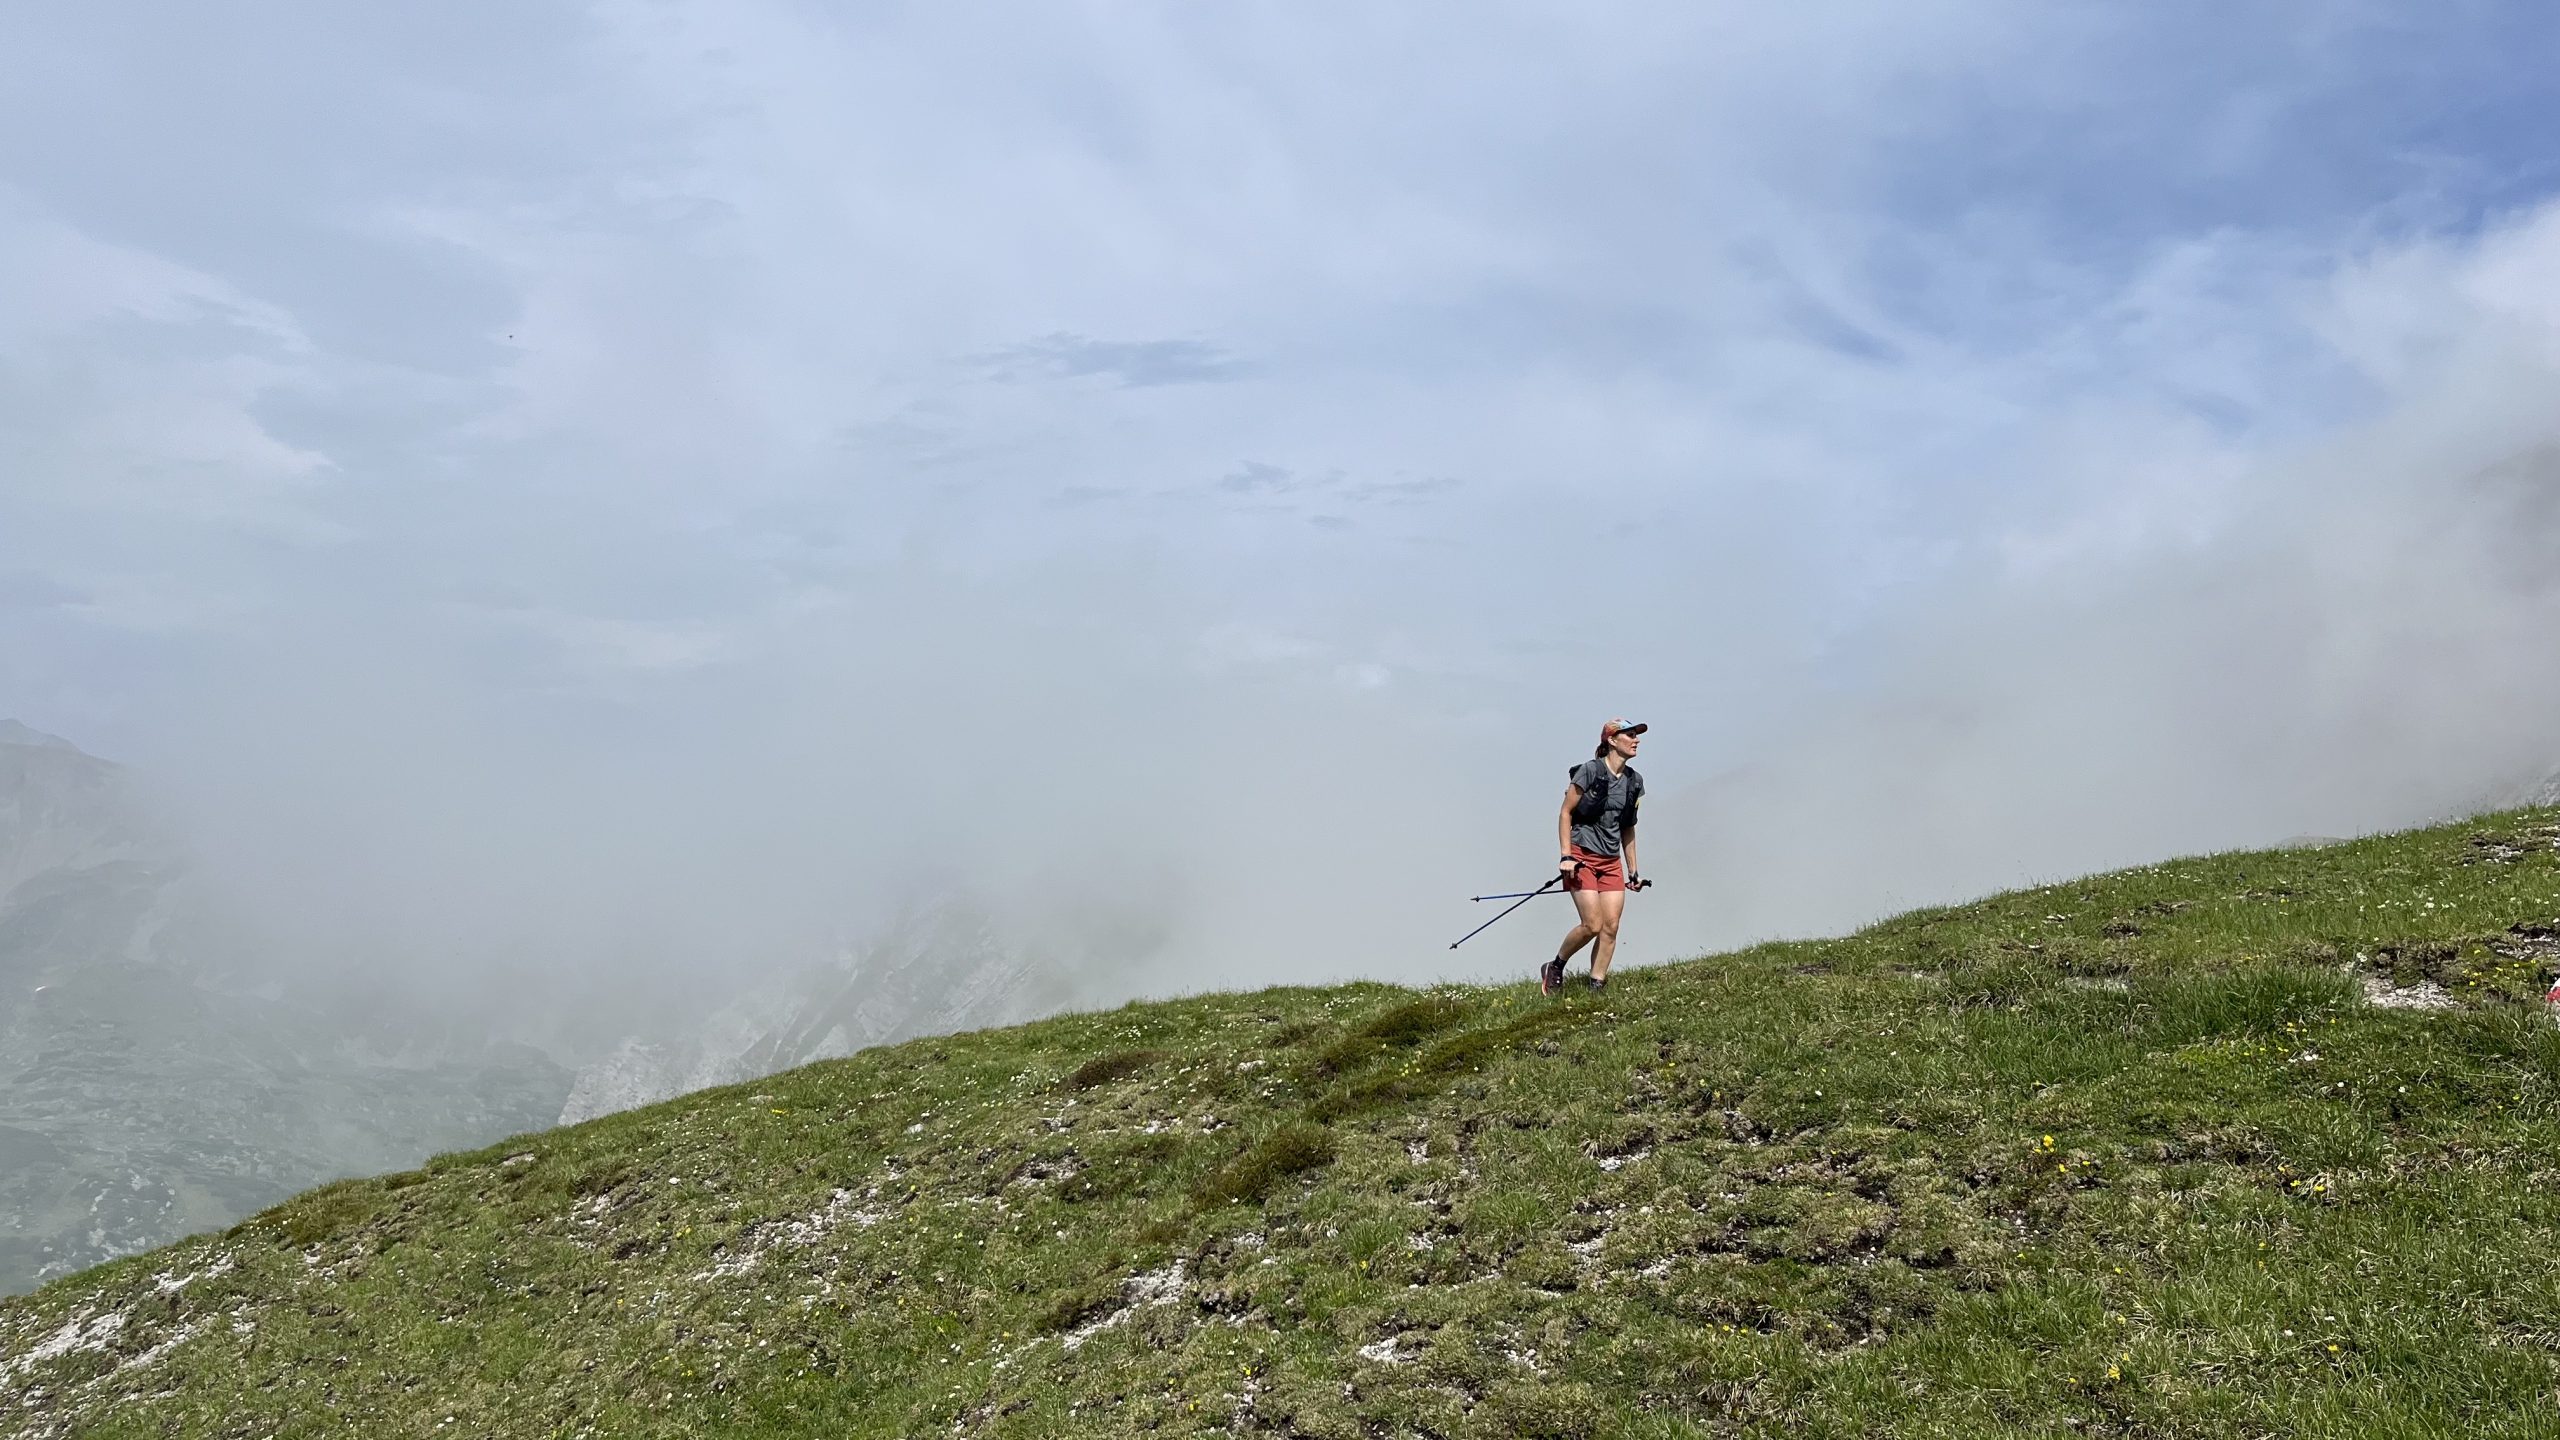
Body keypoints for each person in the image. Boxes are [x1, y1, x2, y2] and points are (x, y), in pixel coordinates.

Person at [1540, 719, 1646, 995]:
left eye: (1637, 736)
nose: (1636, 740)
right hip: (1582, 856)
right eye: (1630, 735)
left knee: (1610, 926)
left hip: (1611, 861)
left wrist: (1633, 870)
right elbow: (1566, 813)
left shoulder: (1635, 781)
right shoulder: (1589, 771)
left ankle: (1596, 986)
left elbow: (1628, 826)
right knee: (1592, 924)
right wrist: (1566, 855)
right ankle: (1556, 966)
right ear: (1611, 740)